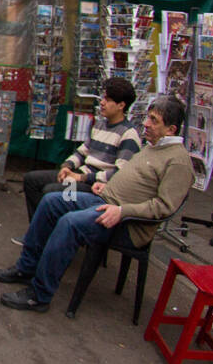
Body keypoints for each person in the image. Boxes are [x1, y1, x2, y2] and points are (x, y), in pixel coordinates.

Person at [0, 96, 191, 312]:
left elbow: (164, 206)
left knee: (69, 222)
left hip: (126, 223)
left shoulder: (177, 162)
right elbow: (127, 175)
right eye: (148, 118)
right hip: (104, 198)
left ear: (171, 129)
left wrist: (122, 210)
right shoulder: (149, 145)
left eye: (154, 120)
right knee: (51, 201)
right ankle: (26, 268)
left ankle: (39, 295)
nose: (146, 123)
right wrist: (104, 185)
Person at [15, 77, 141, 242]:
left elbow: (119, 174)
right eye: (103, 98)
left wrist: (81, 177)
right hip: (78, 175)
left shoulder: (129, 135)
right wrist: (67, 166)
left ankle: (43, 238)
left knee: (52, 192)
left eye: (108, 100)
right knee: (31, 180)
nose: (102, 103)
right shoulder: (100, 124)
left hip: (95, 188)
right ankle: (38, 233)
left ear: (121, 105)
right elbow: (83, 151)